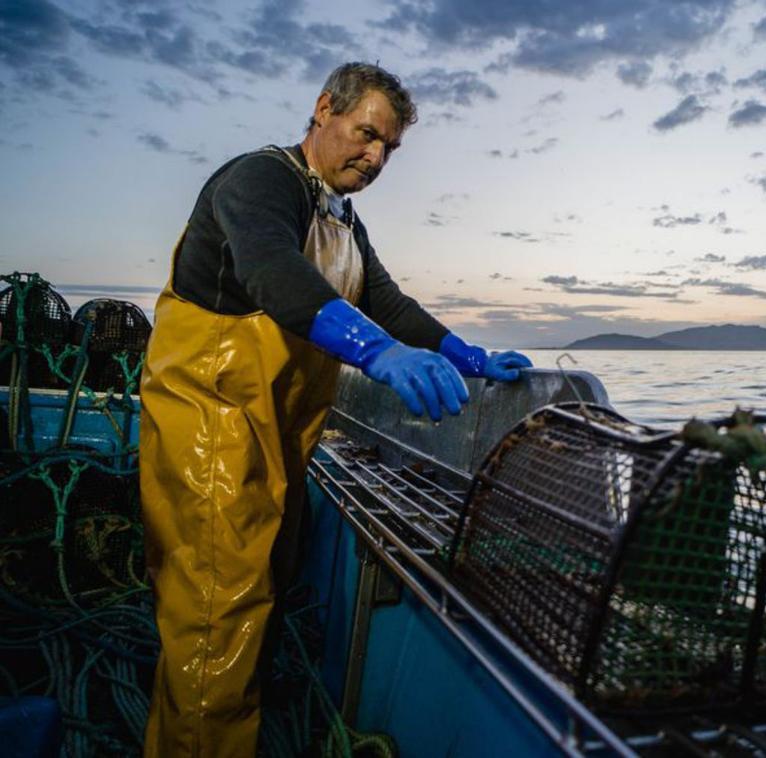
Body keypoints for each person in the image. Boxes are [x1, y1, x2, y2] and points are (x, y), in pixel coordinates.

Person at [138, 61, 531, 756]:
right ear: (324, 108)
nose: (375, 156)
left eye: (389, 148)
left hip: (276, 436)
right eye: (367, 133)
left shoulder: (342, 217)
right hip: (211, 425)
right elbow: (271, 270)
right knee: (215, 615)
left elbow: (386, 302)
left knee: (264, 588)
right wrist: (376, 353)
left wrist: (466, 355)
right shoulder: (259, 180)